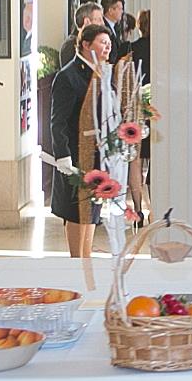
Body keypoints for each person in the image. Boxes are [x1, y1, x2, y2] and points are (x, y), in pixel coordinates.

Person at [47, 23, 115, 261]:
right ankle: (77, 262)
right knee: (76, 211)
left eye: (108, 43)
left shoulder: (102, 72)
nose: (108, 47)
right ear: (86, 44)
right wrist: (63, 156)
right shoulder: (68, 76)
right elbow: (58, 121)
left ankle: (86, 258)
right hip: (76, 155)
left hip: (97, 154)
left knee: (92, 210)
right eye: (102, 43)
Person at [58, 1, 103, 70]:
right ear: (87, 22)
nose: (102, 23)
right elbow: (72, 76)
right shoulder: (70, 45)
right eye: (99, 20)